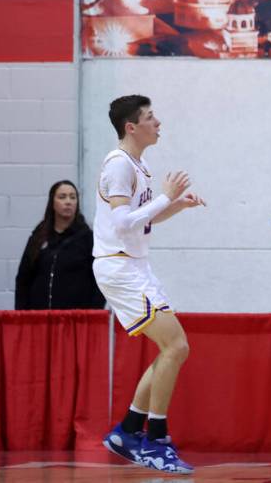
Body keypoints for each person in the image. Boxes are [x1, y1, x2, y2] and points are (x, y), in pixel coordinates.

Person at [93, 95, 205, 474]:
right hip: (118, 267)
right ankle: (156, 439)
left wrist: (175, 206)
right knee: (176, 346)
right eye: (150, 117)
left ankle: (127, 430)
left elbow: (141, 222)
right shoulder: (117, 165)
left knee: (172, 348)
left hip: (136, 265)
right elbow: (122, 223)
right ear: (131, 126)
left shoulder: (139, 165)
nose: (158, 122)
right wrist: (165, 198)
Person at [15, 180, 104, 310]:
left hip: (76, 320)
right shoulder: (38, 237)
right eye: (62, 197)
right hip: (39, 318)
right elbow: (23, 279)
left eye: (73, 197)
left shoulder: (88, 239)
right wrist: (22, 316)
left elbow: (101, 282)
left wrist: (91, 316)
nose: (68, 202)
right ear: (52, 203)